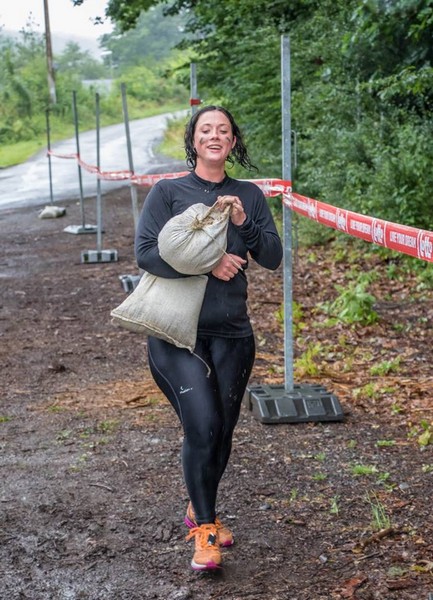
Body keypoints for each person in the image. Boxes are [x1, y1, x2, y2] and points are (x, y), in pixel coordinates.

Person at [135, 105, 283, 571]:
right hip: (177, 333)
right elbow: (145, 254)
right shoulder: (168, 192)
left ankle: (199, 502)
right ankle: (205, 528)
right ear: (193, 141)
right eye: (206, 130)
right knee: (202, 427)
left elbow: (273, 257)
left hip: (233, 334)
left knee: (221, 432)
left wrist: (242, 222)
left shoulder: (248, 195)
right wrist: (208, 262)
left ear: (233, 141)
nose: (215, 136)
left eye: (223, 130)